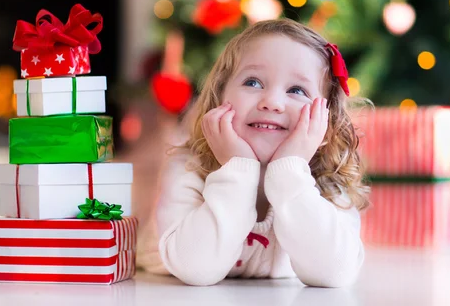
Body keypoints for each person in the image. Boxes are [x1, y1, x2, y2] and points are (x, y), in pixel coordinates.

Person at [140, 19, 370, 287]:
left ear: (326, 121)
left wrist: (290, 170)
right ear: (219, 96)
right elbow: (197, 270)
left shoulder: (328, 181)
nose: (272, 102)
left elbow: (334, 274)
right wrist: (237, 168)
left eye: (297, 90)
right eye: (253, 82)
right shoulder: (187, 168)